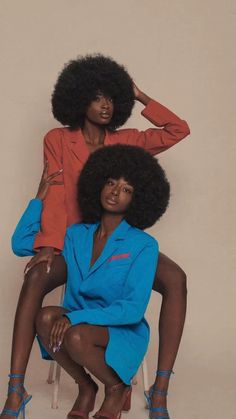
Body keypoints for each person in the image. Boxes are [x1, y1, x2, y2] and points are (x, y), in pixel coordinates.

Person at [1, 54, 189, 419]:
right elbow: (55, 194)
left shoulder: (127, 141)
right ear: (79, 97)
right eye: (98, 96)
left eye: (113, 98)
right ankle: (15, 389)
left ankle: (160, 386)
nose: (106, 105)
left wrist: (140, 96)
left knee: (176, 278)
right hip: (71, 241)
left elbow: (177, 130)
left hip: (116, 242)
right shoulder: (57, 139)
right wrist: (49, 246)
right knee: (36, 275)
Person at [9, 144, 170, 419]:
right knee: (45, 317)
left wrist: (76, 317)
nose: (115, 191)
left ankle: (117, 388)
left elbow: (132, 310)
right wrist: (39, 197)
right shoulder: (76, 235)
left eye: (127, 189)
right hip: (75, 324)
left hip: (119, 331)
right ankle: (86, 387)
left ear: (138, 200)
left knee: (76, 334)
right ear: (98, 184)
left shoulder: (144, 245)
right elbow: (20, 243)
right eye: (110, 182)